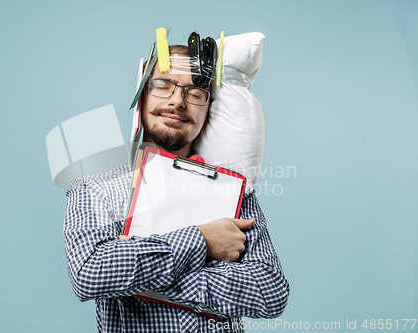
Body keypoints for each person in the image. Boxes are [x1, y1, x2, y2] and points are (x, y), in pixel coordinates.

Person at [64, 44, 289, 333]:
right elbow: (91, 274)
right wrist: (202, 240)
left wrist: (141, 278)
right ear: (142, 94)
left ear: (208, 110)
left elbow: (270, 292)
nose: (178, 101)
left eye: (195, 93)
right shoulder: (95, 188)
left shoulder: (235, 193)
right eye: (163, 85)